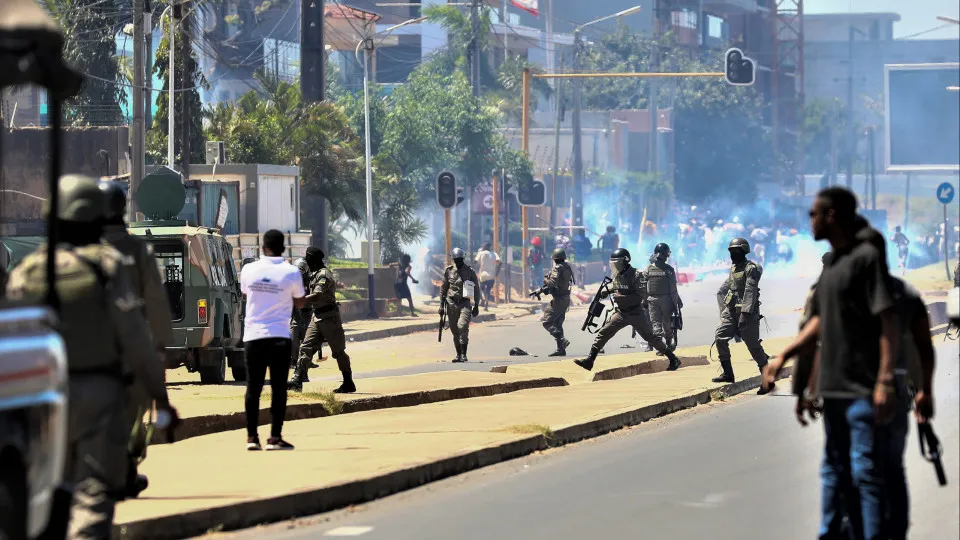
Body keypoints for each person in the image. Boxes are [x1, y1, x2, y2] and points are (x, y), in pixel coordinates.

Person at [5, 175, 177, 538]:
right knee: (93, 492)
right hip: (99, 392)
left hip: (41, 398)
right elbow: (136, 337)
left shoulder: (27, 270)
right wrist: (160, 398)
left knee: (47, 489)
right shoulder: (108, 265)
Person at [766, 188, 900, 540]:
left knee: (864, 472)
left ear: (832, 215)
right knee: (835, 473)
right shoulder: (832, 265)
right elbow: (821, 326)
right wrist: (786, 359)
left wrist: (885, 381)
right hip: (834, 389)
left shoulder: (865, 259)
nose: (809, 219)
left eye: (814, 213)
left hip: (862, 389)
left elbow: (888, 320)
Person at [98, 182, 174, 499]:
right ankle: (127, 470)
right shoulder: (136, 251)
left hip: (87, 353)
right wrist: (158, 351)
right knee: (133, 417)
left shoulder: (79, 250)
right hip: (131, 353)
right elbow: (156, 307)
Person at [239, 230, 306, 450]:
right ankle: (275, 438)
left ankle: (251, 438)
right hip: (279, 336)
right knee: (278, 389)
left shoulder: (249, 269)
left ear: (262, 247)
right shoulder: (292, 272)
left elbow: (245, 294)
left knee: (253, 388)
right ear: (283, 247)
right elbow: (300, 302)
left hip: (253, 336)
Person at [574, 248, 681, 372]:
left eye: (617, 263)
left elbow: (640, 295)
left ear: (625, 261)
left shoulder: (637, 275)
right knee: (604, 332)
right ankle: (590, 360)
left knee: (651, 338)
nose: (615, 266)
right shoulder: (618, 276)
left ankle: (673, 359)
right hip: (621, 313)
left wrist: (619, 296)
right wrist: (607, 291)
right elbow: (617, 288)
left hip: (636, 313)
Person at [289, 247, 355, 393]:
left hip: (329, 317)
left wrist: (300, 300)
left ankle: (348, 382)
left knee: (338, 352)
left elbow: (318, 295)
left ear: (315, 259)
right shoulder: (313, 274)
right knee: (305, 347)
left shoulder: (324, 274)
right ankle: (297, 380)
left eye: (308, 258)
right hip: (317, 316)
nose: (307, 261)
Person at [711, 237, 771, 393]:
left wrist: (744, 314)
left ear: (744, 251)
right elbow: (724, 290)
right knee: (720, 337)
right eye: (731, 251)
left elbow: (750, 291)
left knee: (753, 346)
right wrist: (724, 313)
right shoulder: (733, 269)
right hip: (731, 313)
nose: (733, 254)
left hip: (748, 314)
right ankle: (728, 374)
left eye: (736, 251)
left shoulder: (752, 268)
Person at [440, 248, 481, 363]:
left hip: (464, 303)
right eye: (455, 260)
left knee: (462, 327)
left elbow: (476, 288)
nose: (458, 262)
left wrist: (476, 305)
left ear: (463, 259)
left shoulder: (469, 271)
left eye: (459, 260)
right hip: (451, 303)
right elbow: (443, 288)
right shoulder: (448, 271)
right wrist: (441, 306)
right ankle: (458, 355)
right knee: (454, 330)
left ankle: (464, 354)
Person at [645, 243, 682, 354]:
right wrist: (676, 303)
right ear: (666, 255)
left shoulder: (648, 268)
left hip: (652, 300)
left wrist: (643, 300)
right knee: (667, 323)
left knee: (655, 324)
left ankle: (661, 348)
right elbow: (673, 289)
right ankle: (667, 344)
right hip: (666, 300)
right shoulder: (669, 269)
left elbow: (642, 284)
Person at [539, 248, 575, 356]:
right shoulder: (567, 267)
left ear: (554, 259)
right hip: (565, 298)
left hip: (559, 299)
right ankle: (561, 349)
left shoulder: (557, 268)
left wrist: (545, 279)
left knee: (547, 321)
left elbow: (552, 283)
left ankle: (562, 340)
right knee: (558, 324)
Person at [289, 256, 318, 367]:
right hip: (295, 314)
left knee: (309, 340)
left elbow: (316, 294)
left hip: (307, 313)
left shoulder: (310, 280)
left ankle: (307, 361)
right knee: (293, 338)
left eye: (301, 270)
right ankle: (293, 360)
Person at [474, 243, 500, 310]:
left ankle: (483, 297)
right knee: (488, 290)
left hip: (483, 275)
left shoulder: (481, 253)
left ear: (484, 247)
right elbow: (499, 262)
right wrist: (497, 273)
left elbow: (475, 262)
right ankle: (486, 305)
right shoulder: (494, 254)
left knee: (481, 288)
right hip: (492, 275)